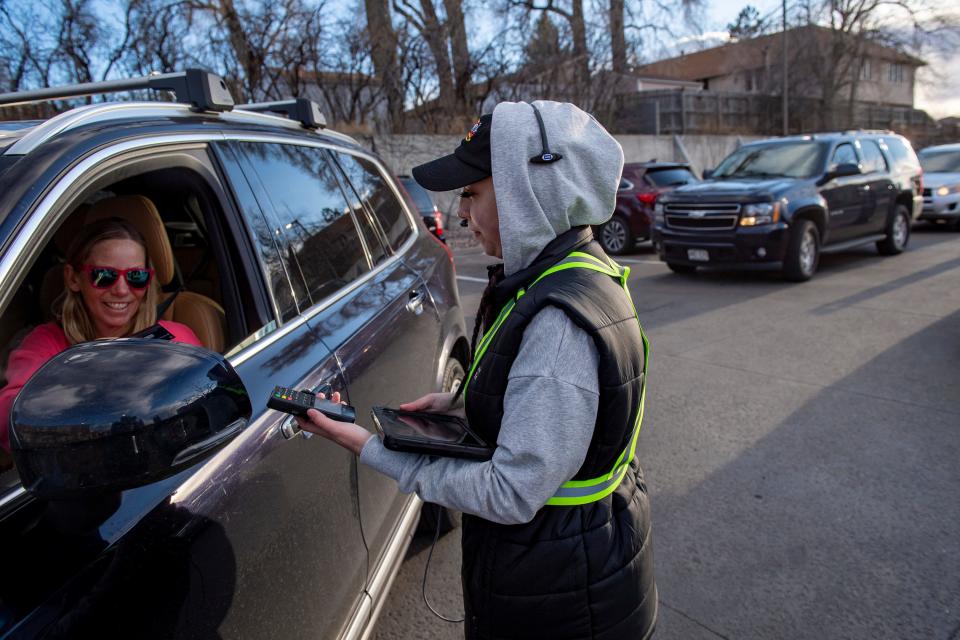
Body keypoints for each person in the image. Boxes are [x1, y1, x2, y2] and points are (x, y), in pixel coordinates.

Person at [297, 101, 656, 639]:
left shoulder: (558, 319)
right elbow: (557, 400)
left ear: (530, 193)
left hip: (562, 596)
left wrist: (370, 448)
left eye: (471, 193)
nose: (461, 213)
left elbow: (511, 492)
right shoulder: (564, 271)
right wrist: (463, 403)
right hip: (570, 564)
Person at [0, 216, 202, 453]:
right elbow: (10, 420)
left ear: (148, 279)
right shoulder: (45, 345)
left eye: (136, 277)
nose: (121, 290)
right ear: (73, 278)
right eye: (104, 276)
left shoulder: (174, 339)